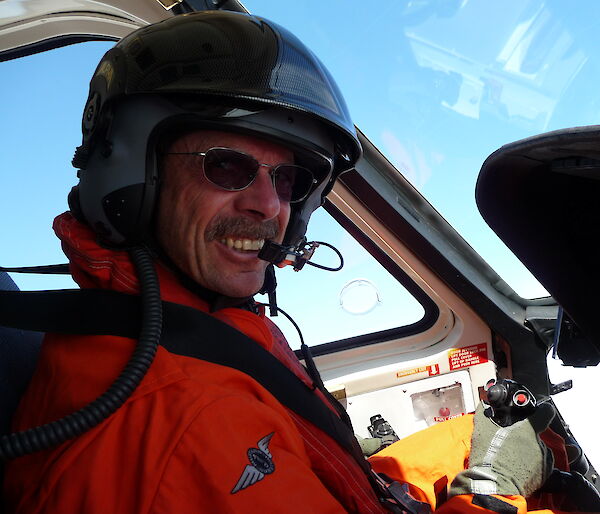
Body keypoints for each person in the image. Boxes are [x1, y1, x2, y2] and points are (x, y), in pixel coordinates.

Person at [2, 10, 581, 514]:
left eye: (291, 179)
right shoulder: (186, 420)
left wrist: (468, 441)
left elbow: (341, 485)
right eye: (226, 165)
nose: (269, 204)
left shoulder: (181, 334)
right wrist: (490, 491)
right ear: (133, 172)